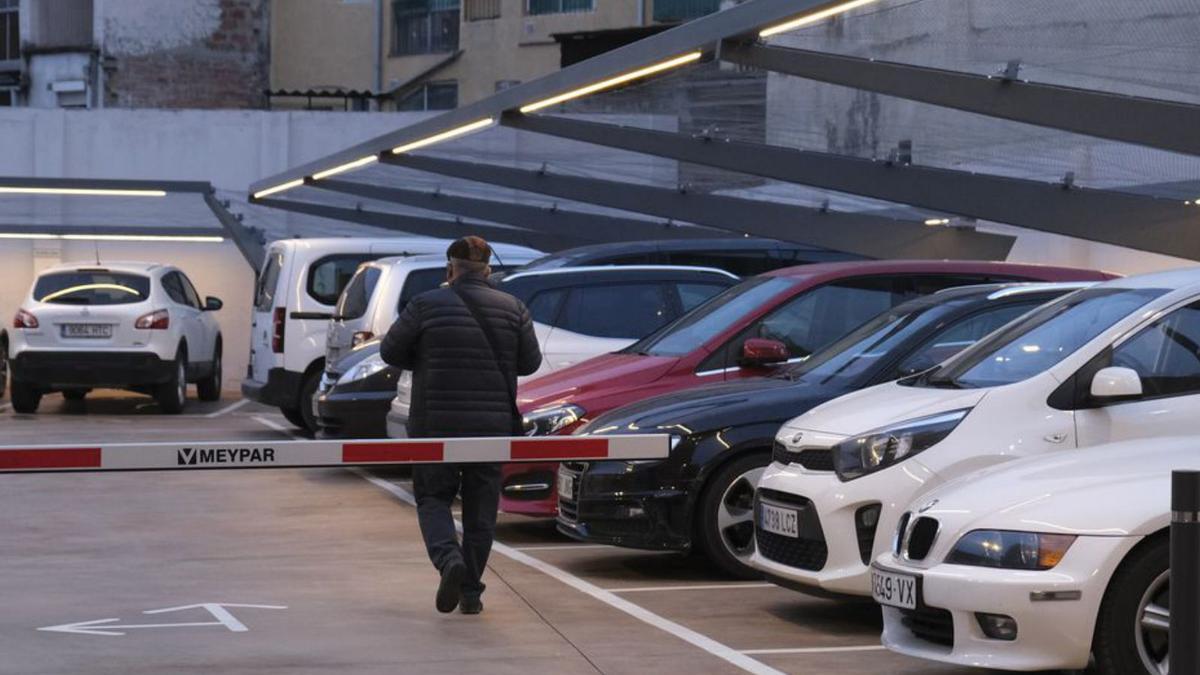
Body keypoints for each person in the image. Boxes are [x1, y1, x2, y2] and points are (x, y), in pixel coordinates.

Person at [379, 235, 541, 615]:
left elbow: (390, 352)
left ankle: (448, 559)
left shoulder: (425, 305)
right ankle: (471, 592)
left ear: (449, 269)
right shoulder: (513, 307)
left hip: (436, 426)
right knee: (481, 508)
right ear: (488, 270)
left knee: (433, 498)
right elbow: (529, 363)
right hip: (491, 428)